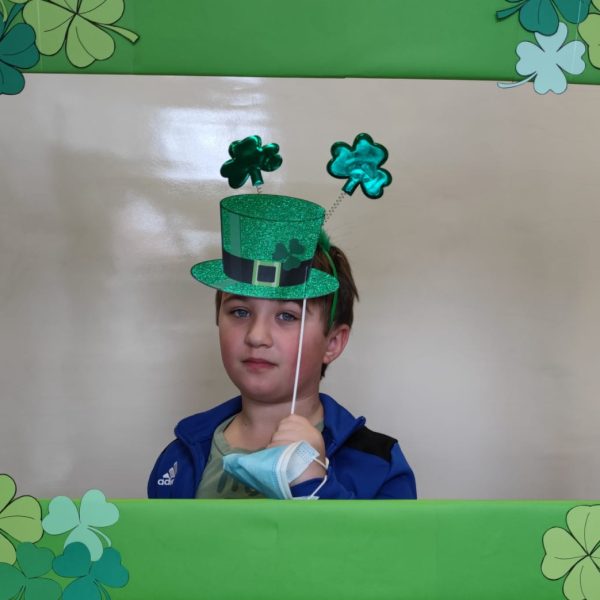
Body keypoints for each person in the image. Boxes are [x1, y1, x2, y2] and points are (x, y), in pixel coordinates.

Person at [148, 193, 416, 499]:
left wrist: (314, 483)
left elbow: (388, 535)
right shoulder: (179, 458)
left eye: (287, 316)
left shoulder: (378, 463)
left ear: (332, 342)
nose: (256, 336)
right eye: (240, 312)